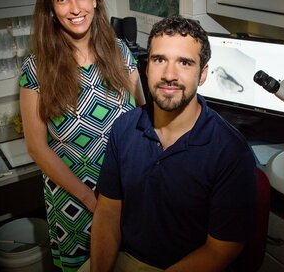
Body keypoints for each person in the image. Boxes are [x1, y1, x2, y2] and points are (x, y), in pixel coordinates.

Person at [85, 15, 257, 272]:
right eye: (159, 60)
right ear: (146, 68)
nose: (169, 75)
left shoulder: (230, 152)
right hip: (126, 257)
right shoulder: (123, 129)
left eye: (185, 63)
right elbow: (108, 211)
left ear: (203, 74)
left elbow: (220, 249)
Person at [19, 0, 144, 272]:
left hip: (128, 194)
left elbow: (143, 115)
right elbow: (37, 147)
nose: (75, 8)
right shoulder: (36, 67)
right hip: (75, 201)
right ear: (51, 8)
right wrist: (92, 200)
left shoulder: (120, 52)